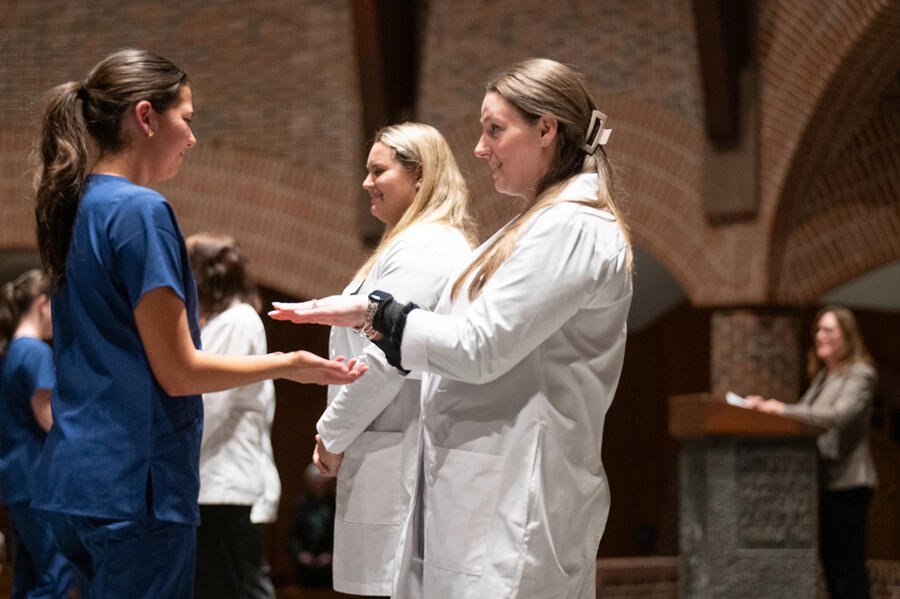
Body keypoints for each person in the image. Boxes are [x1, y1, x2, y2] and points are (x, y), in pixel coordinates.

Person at [271, 57, 633, 598]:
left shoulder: (573, 226)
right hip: (483, 488)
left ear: (546, 129)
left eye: (494, 130)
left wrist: (378, 315)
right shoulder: (536, 222)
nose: (480, 149)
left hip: (517, 492)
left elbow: (481, 347)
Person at [29, 48, 365, 599]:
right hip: (135, 486)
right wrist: (290, 363)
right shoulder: (141, 211)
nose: (191, 137)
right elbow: (179, 371)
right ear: (145, 117)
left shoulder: (76, 203)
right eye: (185, 118)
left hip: (75, 479)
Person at [312, 122, 475, 597]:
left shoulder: (428, 246)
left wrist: (332, 433)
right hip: (385, 443)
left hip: (400, 447)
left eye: (378, 170)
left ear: (419, 174)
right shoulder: (410, 242)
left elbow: (388, 356)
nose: (366, 182)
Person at [746, 306, 877, 599]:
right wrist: (763, 408)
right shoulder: (822, 378)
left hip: (848, 483)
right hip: (822, 481)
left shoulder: (861, 374)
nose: (820, 336)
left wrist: (780, 408)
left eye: (828, 330)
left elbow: (837, 416)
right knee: (832, 566)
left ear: (847, 335)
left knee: (847, 568)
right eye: (818, 330)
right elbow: (804, 416)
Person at [187, 233, 281, 599]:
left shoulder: (238, 321)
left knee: (240, 590)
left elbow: (210, 404)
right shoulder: (222, 323)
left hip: (225, 488)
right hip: (214, 488)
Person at [0, 269, 76, 598]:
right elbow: (51, 422)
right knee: (57, 578)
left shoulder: (11, 352)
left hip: (16, 480)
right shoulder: (35, 352)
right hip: (38, 483)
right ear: (43, 304)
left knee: (27, 578)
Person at [288, 463, 337, 589]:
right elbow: (293, 534)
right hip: (305, 565)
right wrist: (300, 553)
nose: (319, 483)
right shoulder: (302, 504)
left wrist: (331, 554)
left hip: (329, 565)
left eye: (321, 480)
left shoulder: (334, 504)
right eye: (315, 481)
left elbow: (340, 534)